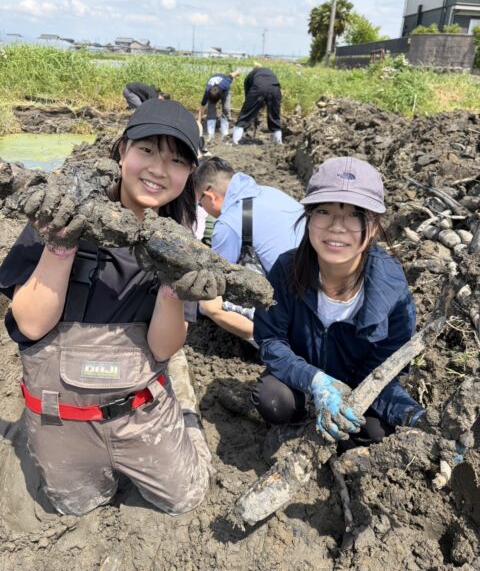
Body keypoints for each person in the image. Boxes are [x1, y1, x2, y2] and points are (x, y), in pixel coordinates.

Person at [0, 99, 218, 517]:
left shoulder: (180, 243)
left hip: (140, 411)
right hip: (61, 413)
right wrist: (60, 246)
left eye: (176, 160)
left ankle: (182, 405)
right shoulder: (62, 212)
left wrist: (173, 288)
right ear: (122, 151)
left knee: (185, 497)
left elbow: (163, 347)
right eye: (147, 150)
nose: (159, 169)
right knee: (73, 505)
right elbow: (29, 325)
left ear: (190, 172)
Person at [252, 156, 424, 448]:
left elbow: (384, 372)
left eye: (355, 215)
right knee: (274, 399)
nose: (337, 227)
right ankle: (300, 425)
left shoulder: (393, 292)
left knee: (376, 433)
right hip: (302, 381)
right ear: (309, 217)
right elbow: (271, 341)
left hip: (357, 387)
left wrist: (413, 416)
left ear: (373, 226)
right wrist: (316, 382)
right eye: (324, 211)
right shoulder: (286, 270)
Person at [193, 156, 304, 343]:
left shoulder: (229, 223)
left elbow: (216, 282)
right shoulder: (271, 193)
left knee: (207, 303)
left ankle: (273, 342)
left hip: (294, 313)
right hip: (321, 296)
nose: (201, 207)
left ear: (210, 196)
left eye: (200, 203)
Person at [232, 64, 282, 145]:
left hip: (259, 88)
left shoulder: (250, 76)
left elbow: (248, 97)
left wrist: (253, 109)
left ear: (253, 70)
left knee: (245, 114)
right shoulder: (269, 71)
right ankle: (278, 142)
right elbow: (269, 87)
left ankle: (235, 141)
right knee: (274, 115)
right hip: (275, 89)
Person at [197, 70, 241, 143]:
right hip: (213, 90)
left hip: (224, 90)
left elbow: (232, 74)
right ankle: (210, 134)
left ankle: (225, 132)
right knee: (211, 110)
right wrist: (199, 121)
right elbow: (202, 106)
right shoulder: (208, 91)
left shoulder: (225, 83)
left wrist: (237, 72)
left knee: (226, 108)